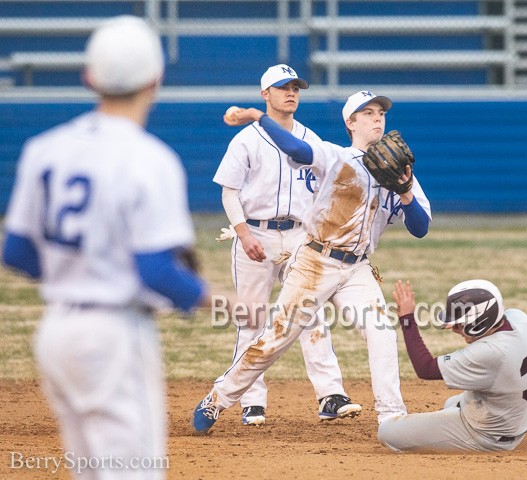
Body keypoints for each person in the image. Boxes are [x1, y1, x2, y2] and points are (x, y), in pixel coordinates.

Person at [1, 16, 217, 479]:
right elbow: (157, 271)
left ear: (90, 78)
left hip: (55, 333)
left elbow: (16, 251)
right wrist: (216, 300)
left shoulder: (46, 148)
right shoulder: (150, 159)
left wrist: (77, 270)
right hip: (113, 337)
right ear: (155, 80)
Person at [192, 90, 432, 433]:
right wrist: (258, 117)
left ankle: (391, 416)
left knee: (381, 332)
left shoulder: (399, 171)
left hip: (357, 268)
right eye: (367, 113)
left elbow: (420, 228)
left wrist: (406, 189)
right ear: (350, 122)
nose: (377, 118)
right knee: (275, 340)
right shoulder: (336, 157)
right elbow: (296, 149)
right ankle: (219, 397)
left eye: (380, 112)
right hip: (316, 261)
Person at [211, 64, 360, 426]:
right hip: (255, 232)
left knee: (309, 311)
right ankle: (252, 401)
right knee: (252, 317)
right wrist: (243, 232)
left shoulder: (309, 140)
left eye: (295, 87)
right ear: (265, 95)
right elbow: (229, 191)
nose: (290, 92)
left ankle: (330, 395)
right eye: (282, 87)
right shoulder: (246, 139)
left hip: (298, 236)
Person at [377, 279, 527, 452]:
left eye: (460, 323)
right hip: (513, 418)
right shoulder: (520, 319)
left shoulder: (491, 353)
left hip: (486, 437)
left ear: (480, 322)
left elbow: (425, 368)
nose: (455, 328)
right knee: (452, 402)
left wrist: (407, 319)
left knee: (387, 432)